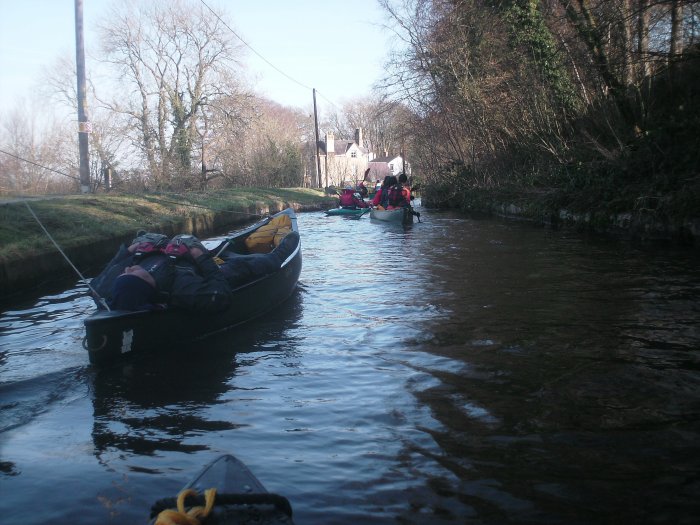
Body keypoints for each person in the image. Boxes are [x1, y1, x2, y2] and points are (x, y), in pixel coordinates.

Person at [91, 232, 231, 313]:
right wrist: (200, 256)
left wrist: (131, 249)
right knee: (246, 265)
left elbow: (111, 268)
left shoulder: (103, 289)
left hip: (156, 248)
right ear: (144, 284)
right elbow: (219, 294)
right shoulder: (182, 288)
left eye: (123, 274)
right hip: (191, 259)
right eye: (130, 274)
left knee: (143, 234)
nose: (128, 269)